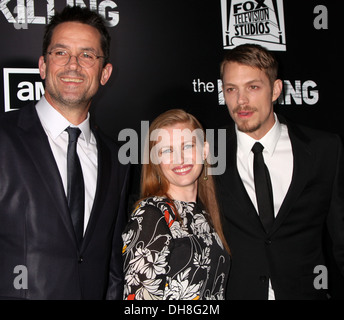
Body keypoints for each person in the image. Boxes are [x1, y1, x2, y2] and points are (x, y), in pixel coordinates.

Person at [0, 6, 130, 300]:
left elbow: (112, 267)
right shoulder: (4, 137)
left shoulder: (116, 158)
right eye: (61, 53)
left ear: (105, 72)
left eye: (87, 55)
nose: (73, 65)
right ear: (43, 66)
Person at [215, 43, 344, 299]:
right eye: (232, 89)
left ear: (275, 90)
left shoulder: (324, 150)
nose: (241, 101)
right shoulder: (208, 154)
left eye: (253, 87)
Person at [121, 109, 230, 300]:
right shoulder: (152, 214)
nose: (179, 158)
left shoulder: (207, 214)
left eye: (187, 146)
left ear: (204, 151)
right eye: (167, 150)